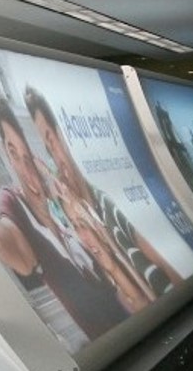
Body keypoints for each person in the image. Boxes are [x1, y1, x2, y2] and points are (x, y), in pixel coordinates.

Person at [0, 93, 130, 340]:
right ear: (6, 156)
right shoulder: (12, 201)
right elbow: (18, 251)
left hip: (133, 311)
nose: (26, 168)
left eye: (27, 154)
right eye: (14, 154)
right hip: (107, 341)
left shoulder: (59, 192)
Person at [23, 85, 181, 298]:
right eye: (48, 150)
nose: (57, 163)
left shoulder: (112, 207)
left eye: (52, 142)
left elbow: (177, 282)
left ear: (65, 136)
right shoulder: (90, 226)